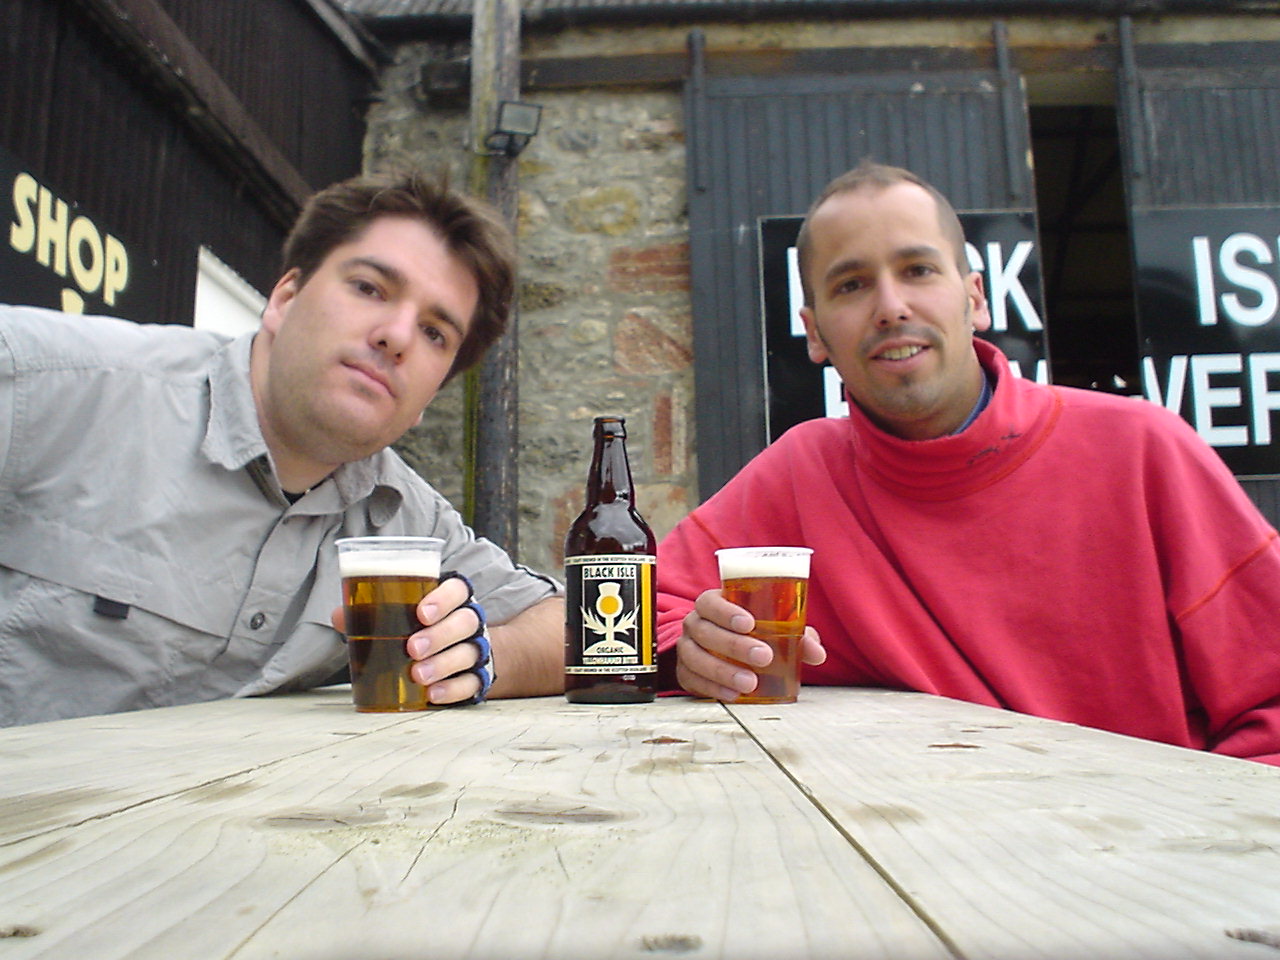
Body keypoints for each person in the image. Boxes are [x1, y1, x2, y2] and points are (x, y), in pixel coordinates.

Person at [656, 160, 1280, 766]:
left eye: (918, 270)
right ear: (815, 333)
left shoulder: (1145, 450)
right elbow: (637, 607)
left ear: (976, 298)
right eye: (851, 285)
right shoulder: (799, 473)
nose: (891, 306)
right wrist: (690, 650)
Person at [0, 170, 564, 727]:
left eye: (435, 332)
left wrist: (477, 656)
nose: (397, 335)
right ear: (284, 298)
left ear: (429, 398)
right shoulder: (38, 383)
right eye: (369, 288)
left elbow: (578, 628)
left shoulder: (407, 522)